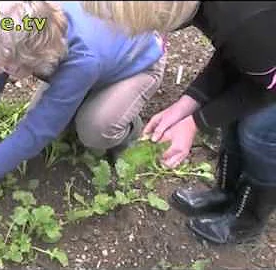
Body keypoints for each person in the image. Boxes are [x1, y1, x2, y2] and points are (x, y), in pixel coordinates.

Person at [0, 2, 165, 219]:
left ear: (39, 56)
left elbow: (34, 135)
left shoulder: (82, 58)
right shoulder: (7, 28)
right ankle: (79, 97)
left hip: (136, 65)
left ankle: (127, 130)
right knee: (52, 122)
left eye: (8, 65)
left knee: (94, 130)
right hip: (90, 61)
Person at [81, 1, 276, 244]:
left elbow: (267, 81)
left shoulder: (240, 17)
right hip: (266, 52)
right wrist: (188, 104)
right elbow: (239, 52)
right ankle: (226, 195)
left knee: (258, 132)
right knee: (234, 120)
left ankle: (247, 222)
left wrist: (195, 123)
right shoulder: (216, 11)